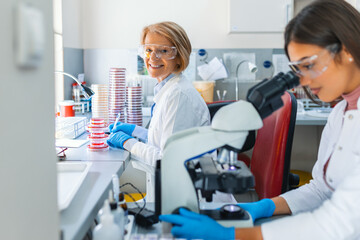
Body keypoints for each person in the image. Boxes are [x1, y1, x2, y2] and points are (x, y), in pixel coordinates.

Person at [160, 0, 360, 239]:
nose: (304, 81)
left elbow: (340, 223)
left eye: (309, 65)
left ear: (346, 51)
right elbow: (322, 189)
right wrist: (266, 206)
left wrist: (238, 236)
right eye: (299, 70)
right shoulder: (341, 114)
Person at [107, 21, 210, 201]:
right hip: (171, 185)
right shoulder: (168, 88)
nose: (152, 57)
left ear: (179, 56)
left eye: (163, 51)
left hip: (189, 196)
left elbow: (167, 161)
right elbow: (166, 138)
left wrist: (128, 143)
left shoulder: (178, 95)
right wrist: (137, 131)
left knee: (115, 200)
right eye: (148, 50)